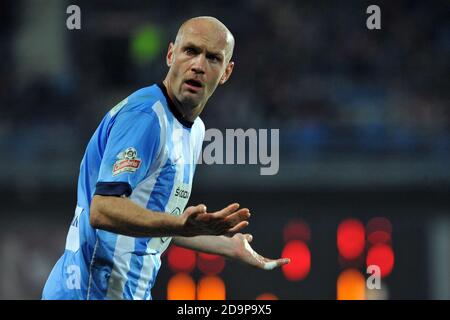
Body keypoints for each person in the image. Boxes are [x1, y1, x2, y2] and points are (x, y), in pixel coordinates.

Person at [42, 16, 289, 300]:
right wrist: (180, 224)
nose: (198, 65)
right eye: (190, 51)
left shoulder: (195, 130)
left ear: (226, 72)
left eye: (212, 58)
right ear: (171, 54)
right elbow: (103, 209)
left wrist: (226, 246)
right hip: (89, 293)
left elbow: (156, 218)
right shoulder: (146, 118)